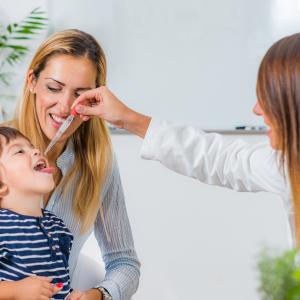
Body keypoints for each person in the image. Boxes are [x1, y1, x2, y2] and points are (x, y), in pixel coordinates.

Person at [72, 33, 300, 246]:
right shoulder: (286, 165)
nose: (256, 110)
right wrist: (127, 119)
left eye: (267, 99)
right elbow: (220, 159)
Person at [4, 29, 140, 300]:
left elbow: (125, 264)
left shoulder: (98, 164)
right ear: (31, 81)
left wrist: (99, 295)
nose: (65, 107)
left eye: (80, 94)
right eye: (54, 88)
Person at [0, 126, 74, 299]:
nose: (36, 151)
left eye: (32, 147)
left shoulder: (58, 227)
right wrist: (16, 291)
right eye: (19, 151)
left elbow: (62, 284)